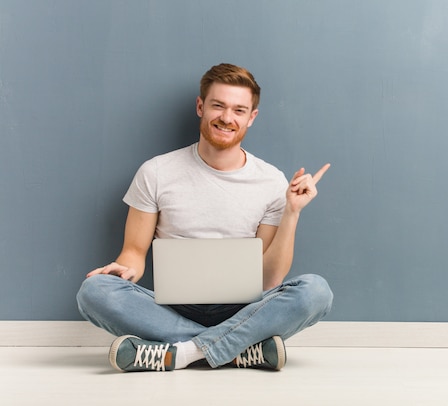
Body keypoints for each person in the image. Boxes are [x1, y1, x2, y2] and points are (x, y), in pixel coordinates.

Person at [76, 63, 333, 372]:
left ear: (251, 117)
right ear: (201, 106)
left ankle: (181, 353)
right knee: (94, 291)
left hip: (245, 310)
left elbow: (269, 279)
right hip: (170, 309)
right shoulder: (156, 172)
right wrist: (123, 271)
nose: (227, 118)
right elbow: (133, 253)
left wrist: (292, 212)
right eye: (218, 106)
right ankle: (238, 351)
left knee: (316, 291)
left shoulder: (271, 181)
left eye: (239, 110)